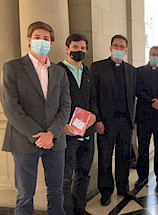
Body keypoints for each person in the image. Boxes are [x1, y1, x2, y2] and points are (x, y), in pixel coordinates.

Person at [1, 21, 71, 215]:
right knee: (25, 194)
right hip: (24, 141)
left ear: (51, 42)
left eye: (46, 38)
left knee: (57, 191)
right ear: (29, 40)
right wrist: (38, 135)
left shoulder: (59, 72)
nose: (42, 41)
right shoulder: (12, 67)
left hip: (55, 141)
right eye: (37, 37)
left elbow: (65, 105)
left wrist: (52, 134)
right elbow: (11, 108)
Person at [91, 35, 137, 206]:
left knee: (123, 157)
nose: (119, 49)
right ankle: (106, 191)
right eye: (116, 46)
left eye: (122, 46)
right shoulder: (98, 67)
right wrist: (97, 120)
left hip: (125, 122)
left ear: (126, 50)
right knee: (105, 158)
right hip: (106, 123)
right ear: (110, 48)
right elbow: (93, 96)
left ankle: (123, 188)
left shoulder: (132, 70)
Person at [57, 33, 97, 215]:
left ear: (86, 50)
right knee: (65, 177)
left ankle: (80, 209)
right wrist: (62, 126)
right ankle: (67, 211)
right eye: (75, 47)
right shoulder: (57, 71)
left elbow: (93, 99)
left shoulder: (87, 72)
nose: (79, 51)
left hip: (87, 132)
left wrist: (94, 117)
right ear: (67, 49)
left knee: (83, 173)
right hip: (67, 133)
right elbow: (51, 103)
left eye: (82, 48)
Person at [134, 46, 158, 188]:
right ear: (149, 55)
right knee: (143, 147)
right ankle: (142, 177)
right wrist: (152, 101)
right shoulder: (139, 72)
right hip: (144, 114)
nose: (155, 57)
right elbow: (137, 90)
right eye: (153, 54)